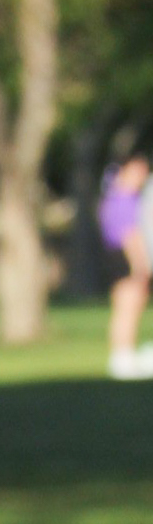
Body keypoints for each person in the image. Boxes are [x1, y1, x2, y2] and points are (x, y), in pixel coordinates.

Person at [99, 152, 152, 379]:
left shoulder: (113, 198)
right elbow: (131, 236)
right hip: (125, 257)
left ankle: (123, 355)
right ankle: (123, 357)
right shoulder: (124, 199)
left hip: (117, 256)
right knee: (128, 308)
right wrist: (141, 265)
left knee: (126, 308)